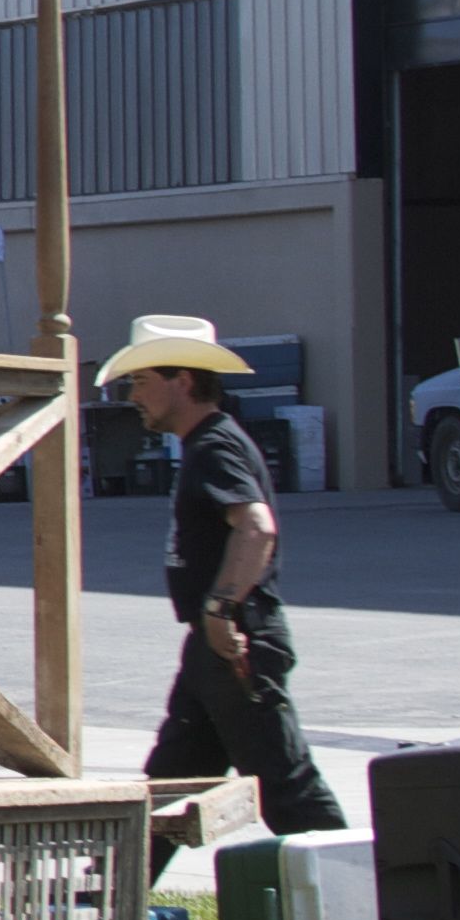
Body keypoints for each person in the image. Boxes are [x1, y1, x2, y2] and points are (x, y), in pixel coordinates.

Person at [99, 314, 344, 833]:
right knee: (170, 784)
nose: (133, 395)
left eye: (141, 380)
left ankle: (358, 904)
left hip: (236, 639)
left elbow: (257, 527)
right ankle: (110, 904)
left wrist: (220, 607)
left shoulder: (215, 446)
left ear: (182, 380)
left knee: (286, 789)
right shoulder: (206, 444)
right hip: (211, 647)